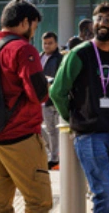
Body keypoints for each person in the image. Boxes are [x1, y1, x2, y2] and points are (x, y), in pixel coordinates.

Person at [0, 0, 54, 213]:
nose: (34, 32)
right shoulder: (23, 49)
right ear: (25, 22)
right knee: (39, 201)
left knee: (0, 203)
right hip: (19, 135)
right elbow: (38, 94)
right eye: (34, 26)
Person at [51, 3, 109, 213]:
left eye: (108, 19)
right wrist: (74, 119)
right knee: (104, 193)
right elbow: (57, 91)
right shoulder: (80, 54)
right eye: (98, 18)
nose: (102, 24)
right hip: (89, 134)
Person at [39, 31, 63, 170]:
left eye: (50, 43)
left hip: (54, 99)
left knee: (56, 130)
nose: (47, 46)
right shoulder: (39, 57)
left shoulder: (60, 58)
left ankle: (56, 157)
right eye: (45, 43)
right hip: (41, 99)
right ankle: (53, 155)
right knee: (48, 130)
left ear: (56, 43)